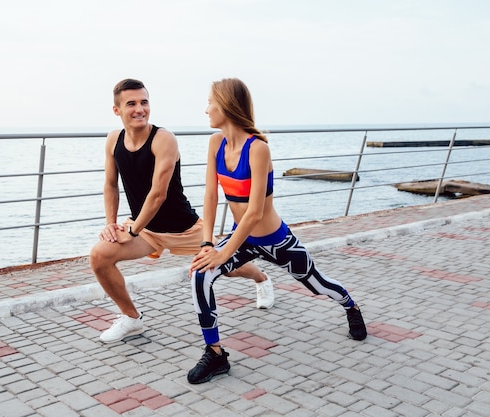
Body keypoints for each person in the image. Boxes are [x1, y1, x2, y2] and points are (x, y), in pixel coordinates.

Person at [187, 78, 367, 384]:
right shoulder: (215, 143)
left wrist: (223, 253)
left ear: (227, 106)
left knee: (317, 285)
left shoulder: (258, 149)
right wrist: (208, 243)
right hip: (242, 237)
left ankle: (350, 305)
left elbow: (255, 211)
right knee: (200, 274)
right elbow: (210, 195)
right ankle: (215, 354)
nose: (205, 110)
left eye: (210, 102)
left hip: (276, 239)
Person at [89, 78, 274, 344]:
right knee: (99, 256)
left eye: (144, 102)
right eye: (131, 104)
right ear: (117, 110)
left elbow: (158, 194)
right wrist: (111, 223)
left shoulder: (163, 139)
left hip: (183, 228)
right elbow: (110, 184)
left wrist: (131, 230)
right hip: (147, 230)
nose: (140, 109)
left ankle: (261, 278)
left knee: (225, 265)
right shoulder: (113, 140)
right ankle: (131, 319)